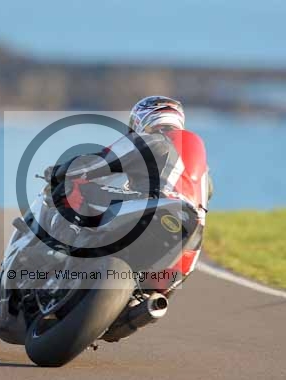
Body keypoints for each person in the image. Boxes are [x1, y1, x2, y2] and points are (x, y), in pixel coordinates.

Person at [24, 95, 212, 262]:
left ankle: (57, 249)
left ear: (142, 119)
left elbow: (98, 162)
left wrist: (59, 172)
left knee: (74, 185)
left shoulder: (154, 139)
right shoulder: (203, 169)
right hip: (189, 236)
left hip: (154, 205)